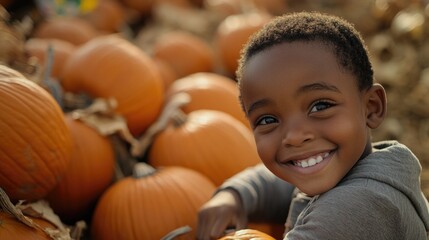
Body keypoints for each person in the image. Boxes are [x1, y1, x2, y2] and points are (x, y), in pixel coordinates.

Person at [196, 11, 429, 240]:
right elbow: (277, 186)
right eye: (268, 120)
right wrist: (235, 196)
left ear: (371, 107)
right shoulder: (350, 167)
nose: (295, 136)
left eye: (320, 106)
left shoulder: (357, 208)